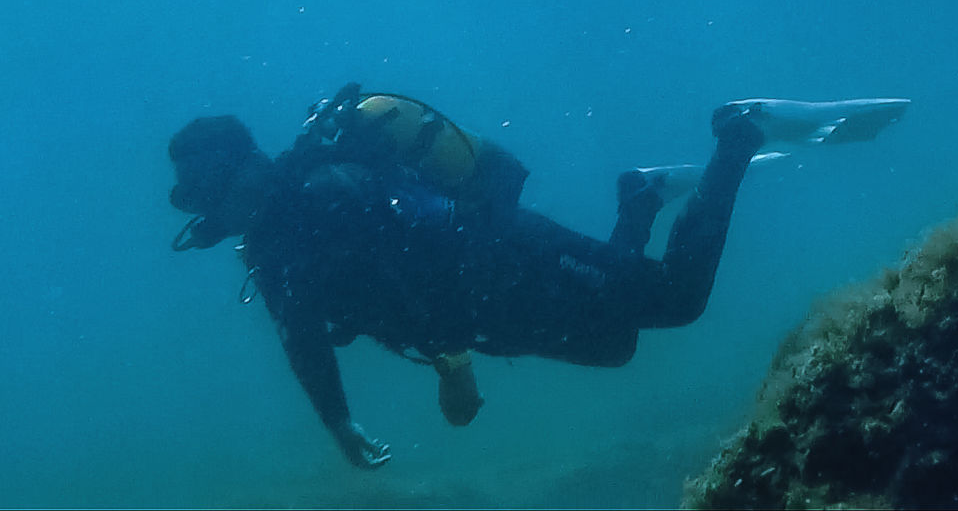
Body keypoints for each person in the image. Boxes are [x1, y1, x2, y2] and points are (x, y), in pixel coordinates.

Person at [168, 84, 909, 468]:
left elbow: (410, 284)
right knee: (618, 345)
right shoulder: (271, 249)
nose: (207, 210)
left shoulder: (327, 196)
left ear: (248, 169)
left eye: (209, 190)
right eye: (195, 198)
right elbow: (303, 337)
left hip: (508, 257)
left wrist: (453, 369)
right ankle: (641, 194)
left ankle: (739, 134)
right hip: (492, 312)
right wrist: (337, 422)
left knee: (677, 301)